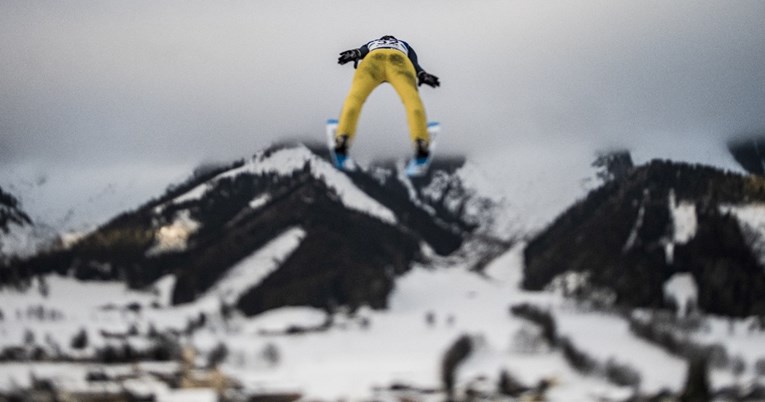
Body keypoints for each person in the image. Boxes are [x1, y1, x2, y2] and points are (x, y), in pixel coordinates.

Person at [334, 35, 440, 167]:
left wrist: (353, 53)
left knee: (355, 97)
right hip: (399, 59)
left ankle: (343, 136)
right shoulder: (404, 45)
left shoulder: (373, 42)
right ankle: (421, 140)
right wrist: (422, 74)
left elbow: (360, 52)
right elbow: (415, 64)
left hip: (373, 59)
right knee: (411, 99)